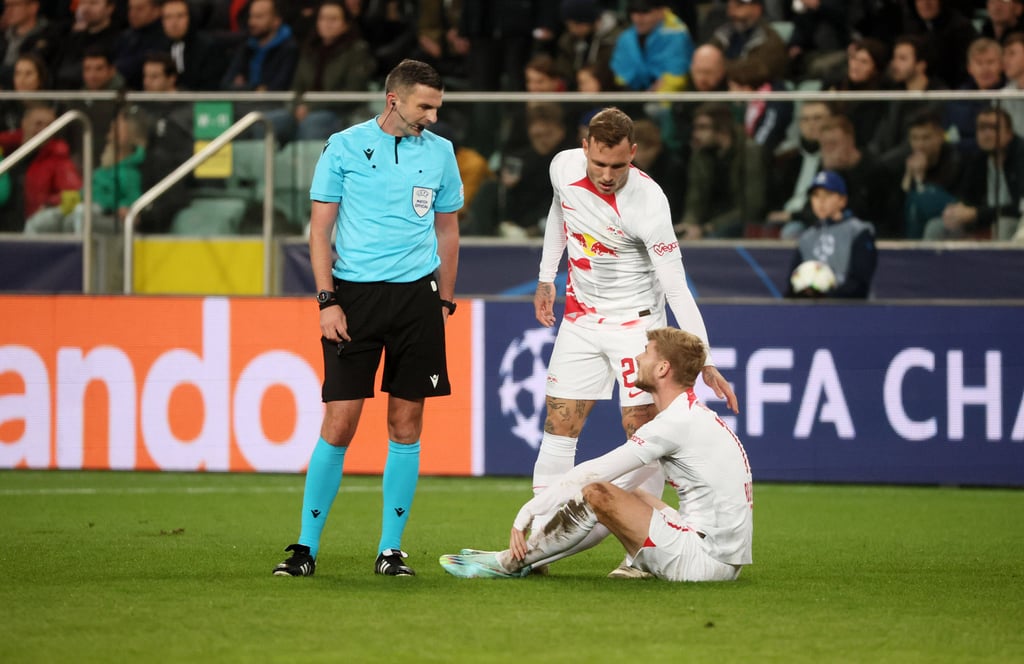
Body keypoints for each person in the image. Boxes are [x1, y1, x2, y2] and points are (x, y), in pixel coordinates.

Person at [273, 59, 463, 578]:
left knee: (406, 423)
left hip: (417, 301)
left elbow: (447, 230)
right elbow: (319, 231)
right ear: (393, 99)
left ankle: (390, 549)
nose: (432, 116)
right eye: (425, 106)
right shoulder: (344, 145)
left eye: (437, 107)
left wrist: (444, 298)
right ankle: (305, 547)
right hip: (353, 299)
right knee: (340, 422)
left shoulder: (442, 153)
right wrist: (326, 299)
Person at [531, 107, 738, 577]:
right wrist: (546, 277)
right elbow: (559, 212)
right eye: (598, 164)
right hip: (581, 319)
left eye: (618, 166)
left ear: (634, 155)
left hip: (636, 327)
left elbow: (677, 287)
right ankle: (538, 543)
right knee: (560, 424)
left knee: (642, 432)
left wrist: (703, 358)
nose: (606, 176)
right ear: (584, 149)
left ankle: (640, 555)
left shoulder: (649, 203)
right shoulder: (562, 167)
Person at [439, 326, 753, 583]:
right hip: (722, 557)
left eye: (645, 353)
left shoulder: (671, 424)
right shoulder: (692, 415)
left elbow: (592, 475)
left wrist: (527, 514)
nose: (637, 358)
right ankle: (531, 561)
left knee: (596, 492)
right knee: (626, 493)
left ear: (662, 369)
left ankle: (508, 563)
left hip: (703, 561)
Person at [925, 106, 1024, 239]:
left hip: (1016, 221)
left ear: (1009, 133)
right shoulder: (979, 158)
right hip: (984, 220)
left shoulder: (1020, 155)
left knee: (1003, 224)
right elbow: (966, 195)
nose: (987, 134)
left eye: (993, 128)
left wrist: (976, 213)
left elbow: (1019, 206)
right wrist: (958, 209)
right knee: (936, 227)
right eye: (982, 128)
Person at [677, 102, 765, 238]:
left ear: (722, 128)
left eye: (702, 128)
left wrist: (709, 227)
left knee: (713, 239)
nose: (696, 134)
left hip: (741, 220)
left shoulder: (749, 151)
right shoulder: (700, 155)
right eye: (695, 128)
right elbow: (695, 197)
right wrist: (689, 223)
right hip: (710, 221)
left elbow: (752, 206)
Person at [785, 171, 877, 299]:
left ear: (842, 200)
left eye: (827, 195)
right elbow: (793, 283)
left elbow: (860, 282)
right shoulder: (806, 238)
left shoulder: (859, 231)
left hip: (851, 310)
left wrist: (827, 298)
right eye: (816, 195)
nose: (820, 201)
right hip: (810, 311)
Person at [765, 100, 834, 237]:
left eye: (817, 118)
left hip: (810, 221)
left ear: (831, 121)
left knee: (791, 232)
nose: (811, 124)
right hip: (782, 216)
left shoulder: (833, 161)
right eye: (806, 119)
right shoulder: (787, 159)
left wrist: (792, 216)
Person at [901, 109, 963, 239]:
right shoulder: (905, 160)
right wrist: (908, 176)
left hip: (953, 220)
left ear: (940, 136)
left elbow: (939, 202)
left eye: (926, 138)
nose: (920, 145)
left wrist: (919, 179)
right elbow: (898, 208)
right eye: (915, 138)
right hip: (922, 224)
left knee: (923, 197)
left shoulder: (955, 160)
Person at [609, 0, 693, 93]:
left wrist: (652, 95)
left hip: (668, 100)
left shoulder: (677, 34)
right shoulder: (626, 38)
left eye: (645, 12)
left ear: (661, 12)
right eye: (634, 11)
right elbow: (620, 76)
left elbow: (676, 74)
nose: (637, 18)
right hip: (631, 96)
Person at [220, 0, 298, 91]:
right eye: (251, 16)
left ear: (276, 21)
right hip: (243, 104)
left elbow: (277, 88)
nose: (251, 22)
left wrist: (242, 87)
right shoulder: (247, 45)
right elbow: (225, 84)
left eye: (259, 17)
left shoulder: (289, 48)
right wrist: (255, 89)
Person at [708, 0, 789, 84]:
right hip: (723, 90)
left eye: (739, 5)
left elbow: (759, 70)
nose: (732, 12)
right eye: (730, 5)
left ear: (757, 9)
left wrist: (720, 67)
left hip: (761, 91)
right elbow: (707, 58)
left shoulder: (768, 38)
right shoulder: (723, 34)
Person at [159, 0, 223, 91]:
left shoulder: (208, 47)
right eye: (168, 17)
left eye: (180, 16)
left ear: (190, 18)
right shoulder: (158, 49)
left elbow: (210, 87)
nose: (174, 23)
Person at [0, 0, 59, 89]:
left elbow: (36, 68)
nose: (8, 11)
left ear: (33, 7)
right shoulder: (3, 37)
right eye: (6, 6)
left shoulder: (50, 36)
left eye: (14, 5)